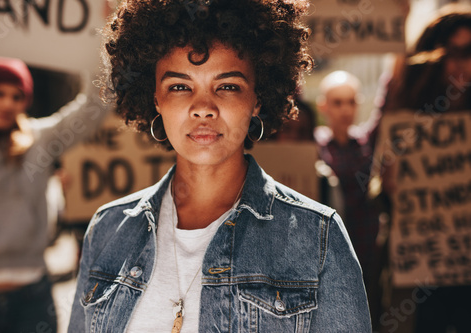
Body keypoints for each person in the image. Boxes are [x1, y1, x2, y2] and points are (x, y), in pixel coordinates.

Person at [68, 1, 371, 332]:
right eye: (180, 86)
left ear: (257, 98)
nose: (203, 108)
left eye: (227, 86)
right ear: (155, 98)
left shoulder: (319, 238)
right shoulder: (108, 229)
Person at [0, 56, 110, 332]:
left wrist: (95, 46)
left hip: (32, 296)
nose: (8, 103)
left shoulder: (41, 139)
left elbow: (96, 105)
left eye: (17, 96)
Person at [376, 4, 471, 333]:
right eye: (455, 52)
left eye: (470, 52)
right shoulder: (404, 113)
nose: (464, 64)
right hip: (420, 269)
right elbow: (378, 180)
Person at [314, 70, 381, 330]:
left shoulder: (366, 143)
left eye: (351, 102)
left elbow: (385, 112)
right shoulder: (314, 145)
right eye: (337, 102)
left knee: (368, 313)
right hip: (328, 252)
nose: (345, 109)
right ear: (324, 106)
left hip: (365, 246)